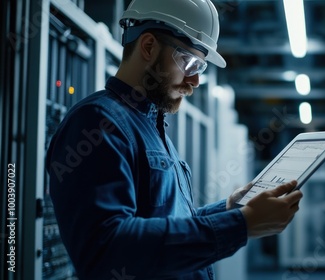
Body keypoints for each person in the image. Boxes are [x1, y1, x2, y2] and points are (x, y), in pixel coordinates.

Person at [45, 0, 303, 279]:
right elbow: (108, 250)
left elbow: (170, 225)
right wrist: (241, 225)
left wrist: (230, 208)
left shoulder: (153, 127)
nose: (194, 81)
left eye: (200, 67)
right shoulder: (97, 123)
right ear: (148, 46)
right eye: (189, 62)